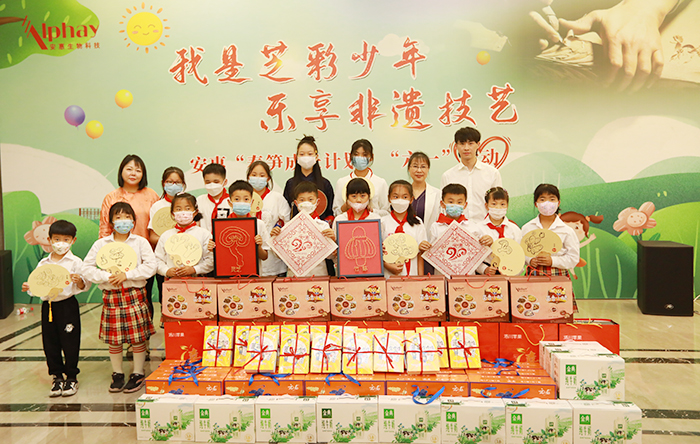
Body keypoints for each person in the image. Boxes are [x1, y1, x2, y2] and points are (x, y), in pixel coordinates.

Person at [82, 202, 157, 393]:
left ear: (133, 221)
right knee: (114, 339)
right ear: (111, 222)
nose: (123, 221)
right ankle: (117, 373)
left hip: (134, 294)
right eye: (118, 217)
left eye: (127, 217)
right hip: (111, 296)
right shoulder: (101, 244)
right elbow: (86, 268)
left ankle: (138, 373)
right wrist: (106, 276)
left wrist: (127, 275)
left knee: (137, 338)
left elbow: (151, 267)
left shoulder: (140, 242)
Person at [22, 220, 87, 397]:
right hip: (49, 306)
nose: (61, 243)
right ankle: (57, 377)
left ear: (73, 240)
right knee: (50, 341)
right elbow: (36, 285)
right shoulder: (43, 263)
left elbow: (84, 286)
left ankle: (71, 377)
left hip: (67, 305)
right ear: (49, 240)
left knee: (70, 341)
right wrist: (29, 287)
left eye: (66, 239)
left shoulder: (75, 262)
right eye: (57, 239)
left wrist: (79, 281)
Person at [98, 154, 159, 316]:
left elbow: (158, 225)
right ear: (121, 171)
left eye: (138, 170)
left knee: (144, 295)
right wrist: (106, 256)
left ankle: (144, 329)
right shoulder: (111, 197)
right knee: (120, 297)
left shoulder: (151, 195)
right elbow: (105, 228)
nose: (133, 173)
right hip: (118, 256)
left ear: (143, 174)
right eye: (129, 169)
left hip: (146, 254)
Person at [273, 181, 336, 277]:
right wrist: (275, 238)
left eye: (310, 199)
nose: (307, 203)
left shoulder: (323, 226)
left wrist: (332, 240)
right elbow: (279, 255)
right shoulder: (289, 227)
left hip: (318, 275)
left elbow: (330, 256)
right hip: (294, 276)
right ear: (296, 203)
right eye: (302, 200)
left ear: (317, 202)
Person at [441, 127, 502, 221]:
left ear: (478, 145)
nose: (466, 148)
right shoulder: (448, 175)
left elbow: (498, 203)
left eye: (470, 143)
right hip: (457, 226)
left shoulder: (492, 173)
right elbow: (443, 207)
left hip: (485, 226)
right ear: (456, 146)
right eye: (462, 143)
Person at [147, 167, 186, 309]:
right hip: (165, 260)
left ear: (183, 184)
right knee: (167, 297)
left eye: (177, 182)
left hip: (187, 259)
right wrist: (171, 241)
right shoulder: (157, 206)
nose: (173, 185)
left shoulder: (190, 203)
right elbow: (152, 237)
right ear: (163, 183)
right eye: (170, 182)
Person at [521, 183, 580, 276]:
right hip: (533, 275)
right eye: (542, 199)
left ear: (558, 203)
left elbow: (573, 258)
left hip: (559, 275)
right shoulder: (527, 228)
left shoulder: (566, 230)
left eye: (552, 199)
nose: (547, 203)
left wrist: (553, 261)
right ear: (536, 204)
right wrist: (529, 260)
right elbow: (520, 252)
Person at [247, 161, 291, 277]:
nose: (257, 178)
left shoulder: (277, 198)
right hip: (247, 256)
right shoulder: (243, 199)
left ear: (268, 178)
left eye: (262, 175)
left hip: (273, 259)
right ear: (248, 177)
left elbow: (288, 223)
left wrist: (278, 229)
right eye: (254, 175)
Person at [155, 193, 214, 278]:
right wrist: (166, 271)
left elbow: (211, 260)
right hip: (172, 281)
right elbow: (157, 259)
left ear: (195, 212)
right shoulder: (166, 235)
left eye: (188, 208)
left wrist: (195, 269)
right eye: (178, 209)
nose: (183, 212)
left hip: (198, 280)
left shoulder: (204, 234)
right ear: (173, 213)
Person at [381, 180, 430, 277]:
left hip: (412, 275)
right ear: (389, 198)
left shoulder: (417, 223)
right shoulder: (383, 222)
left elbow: (420, 255)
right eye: (396, 197)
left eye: (404, 197)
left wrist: (420, 278)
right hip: (388, 276)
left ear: (411, 199)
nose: (400, 201)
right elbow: (378, 253)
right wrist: (387, 266)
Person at [282, 135, 335, 223]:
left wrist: (323, 225)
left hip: (320, 228)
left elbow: (330, 212)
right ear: (297, 157)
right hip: (296, 228)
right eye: (302, 154)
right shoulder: (290, 183)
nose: (306, 157)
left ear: (316, 157)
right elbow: (285, 211)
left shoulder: (325, 183)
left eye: (310, 154)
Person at [332, 139, 390, 217]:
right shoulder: (342, 182)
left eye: (364, 155)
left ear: (371, 157)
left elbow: (387, 212)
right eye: (356, 154)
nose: (360, 157)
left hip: (373, 223)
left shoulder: (380, 183)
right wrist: (345, 207)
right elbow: (335, 213)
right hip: (348, 223)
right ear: (351, 157)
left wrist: (372, 211)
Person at [474, 186, 522, 275]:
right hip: (487, 272)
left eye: (502, 204)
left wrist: (513, 272)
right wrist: (484, 269)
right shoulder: (478, 228)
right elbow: (472, 256)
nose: (498, 207)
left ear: (507, 205)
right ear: (486, 206)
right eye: (494, 204)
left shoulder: (514, 229)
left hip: (509, 273)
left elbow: (520, 255)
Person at [225, 180, 270, 271]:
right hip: (228, 273)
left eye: (246, 199)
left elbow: (264, 256)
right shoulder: (222, 225)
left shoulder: (259, 224)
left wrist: (258, 246)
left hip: (252, 274)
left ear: (251, 202)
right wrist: (213, 248)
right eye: (237, 199)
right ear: (230, 202)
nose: (242, 202)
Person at [407, 152, 441, 231]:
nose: (419, 170)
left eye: (423, 167)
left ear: (428, 169)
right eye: (415, 166)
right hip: (405, 237)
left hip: (428, 237)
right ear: (409, 168)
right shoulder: (403, 193)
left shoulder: (438, 194)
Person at [197, 163, 230, 234]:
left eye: (216, 182)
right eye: (208, 182)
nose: (212, 185)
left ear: (225, 182)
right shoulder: (199, 200)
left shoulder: (231, 201)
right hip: (205, 240)